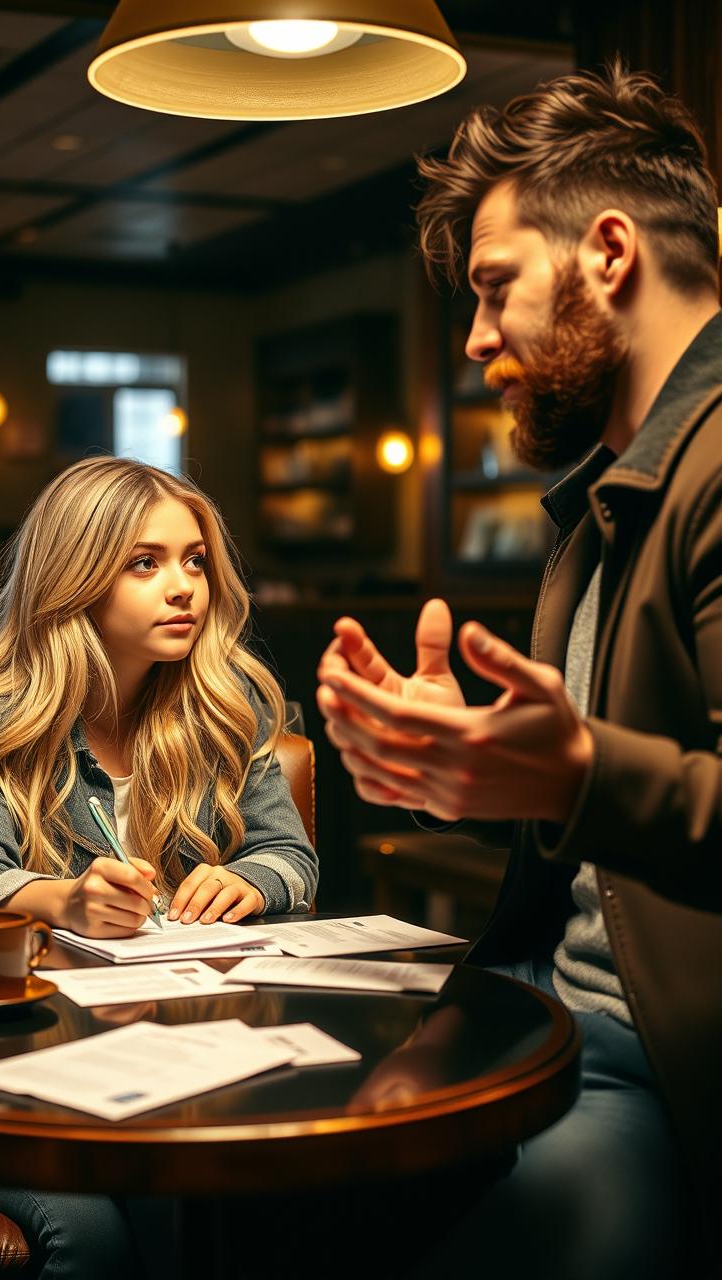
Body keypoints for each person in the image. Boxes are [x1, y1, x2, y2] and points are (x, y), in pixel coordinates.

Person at [317, 63, 721, 1278]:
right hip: (549, 1012)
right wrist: (477, 767)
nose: (478, 338)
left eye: (494, 288)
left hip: (656, 1068)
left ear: (607, 251)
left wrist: (578, 768)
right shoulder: (605, 498)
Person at [0, 454, 317, 1279]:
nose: (185, 588)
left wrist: (254, 879)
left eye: (195, 560)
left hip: (183, 1063)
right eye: (146, 562)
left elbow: (292, 859)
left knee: (274, 1202)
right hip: (13, 1077)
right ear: (77, 577)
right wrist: (64, 899)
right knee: (100, 1231)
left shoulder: (226, 711)